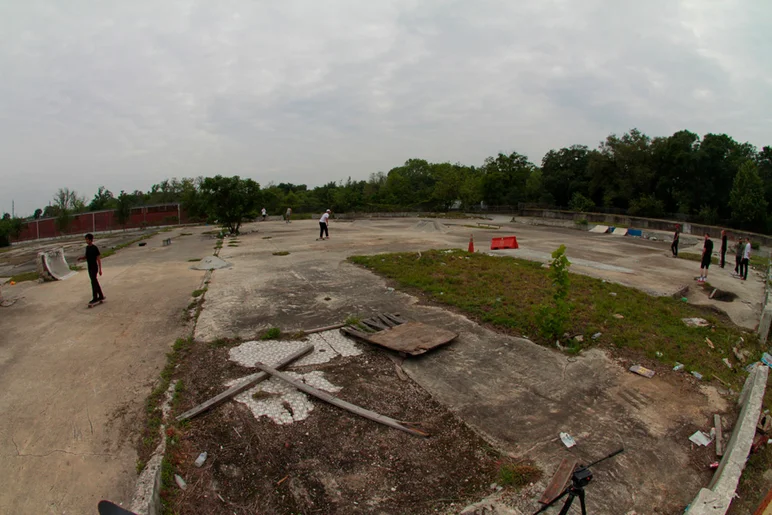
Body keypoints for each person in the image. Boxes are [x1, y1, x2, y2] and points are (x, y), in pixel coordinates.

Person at [77, 233, 105, 305]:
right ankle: (101, 295)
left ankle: (95, 297)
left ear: (90, 240)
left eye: (87, 239)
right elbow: (86, 256)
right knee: (94, 281)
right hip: (89, 267)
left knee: (93, 282)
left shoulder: (94, 248)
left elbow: (98, 258)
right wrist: (81, 258)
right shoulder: (87, 248)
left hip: (94, 267)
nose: (86, 241)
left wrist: (100, 269)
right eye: (85, 239)